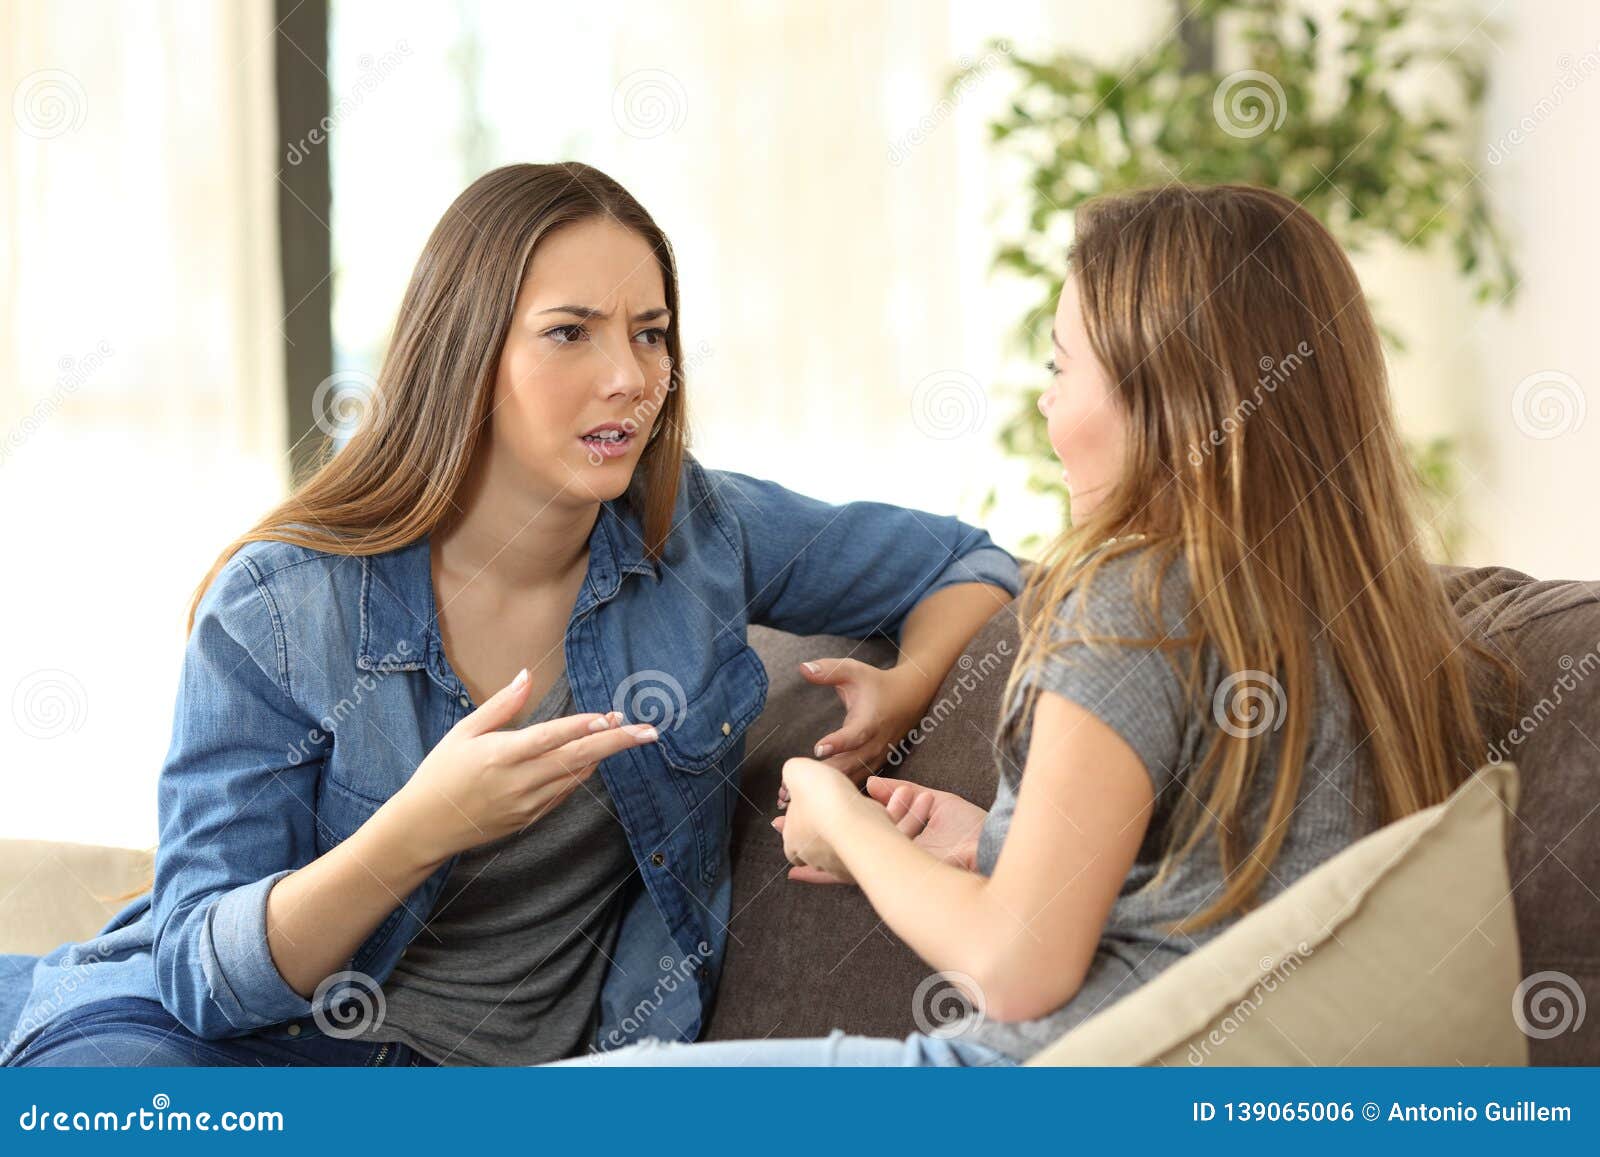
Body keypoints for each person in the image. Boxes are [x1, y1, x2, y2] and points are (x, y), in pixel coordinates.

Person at [1, 162, 1018, 1067]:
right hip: (233, 1050)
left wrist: (906, 685)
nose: (632, 374)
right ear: (467, 354)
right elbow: (198, 976)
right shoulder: (282, 603)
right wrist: (419, 828)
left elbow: (966, 562)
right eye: (570, 332)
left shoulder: (699, 533)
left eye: (650, 333)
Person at [558, 183, 1493, 1068]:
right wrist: (991, 840)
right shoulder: (1372, 618)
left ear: (1165, 396)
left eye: (1059, 364)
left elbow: (1015, 967)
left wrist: (846, 823)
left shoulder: (1134, 601)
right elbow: (1214, 889)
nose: (1045, 401)